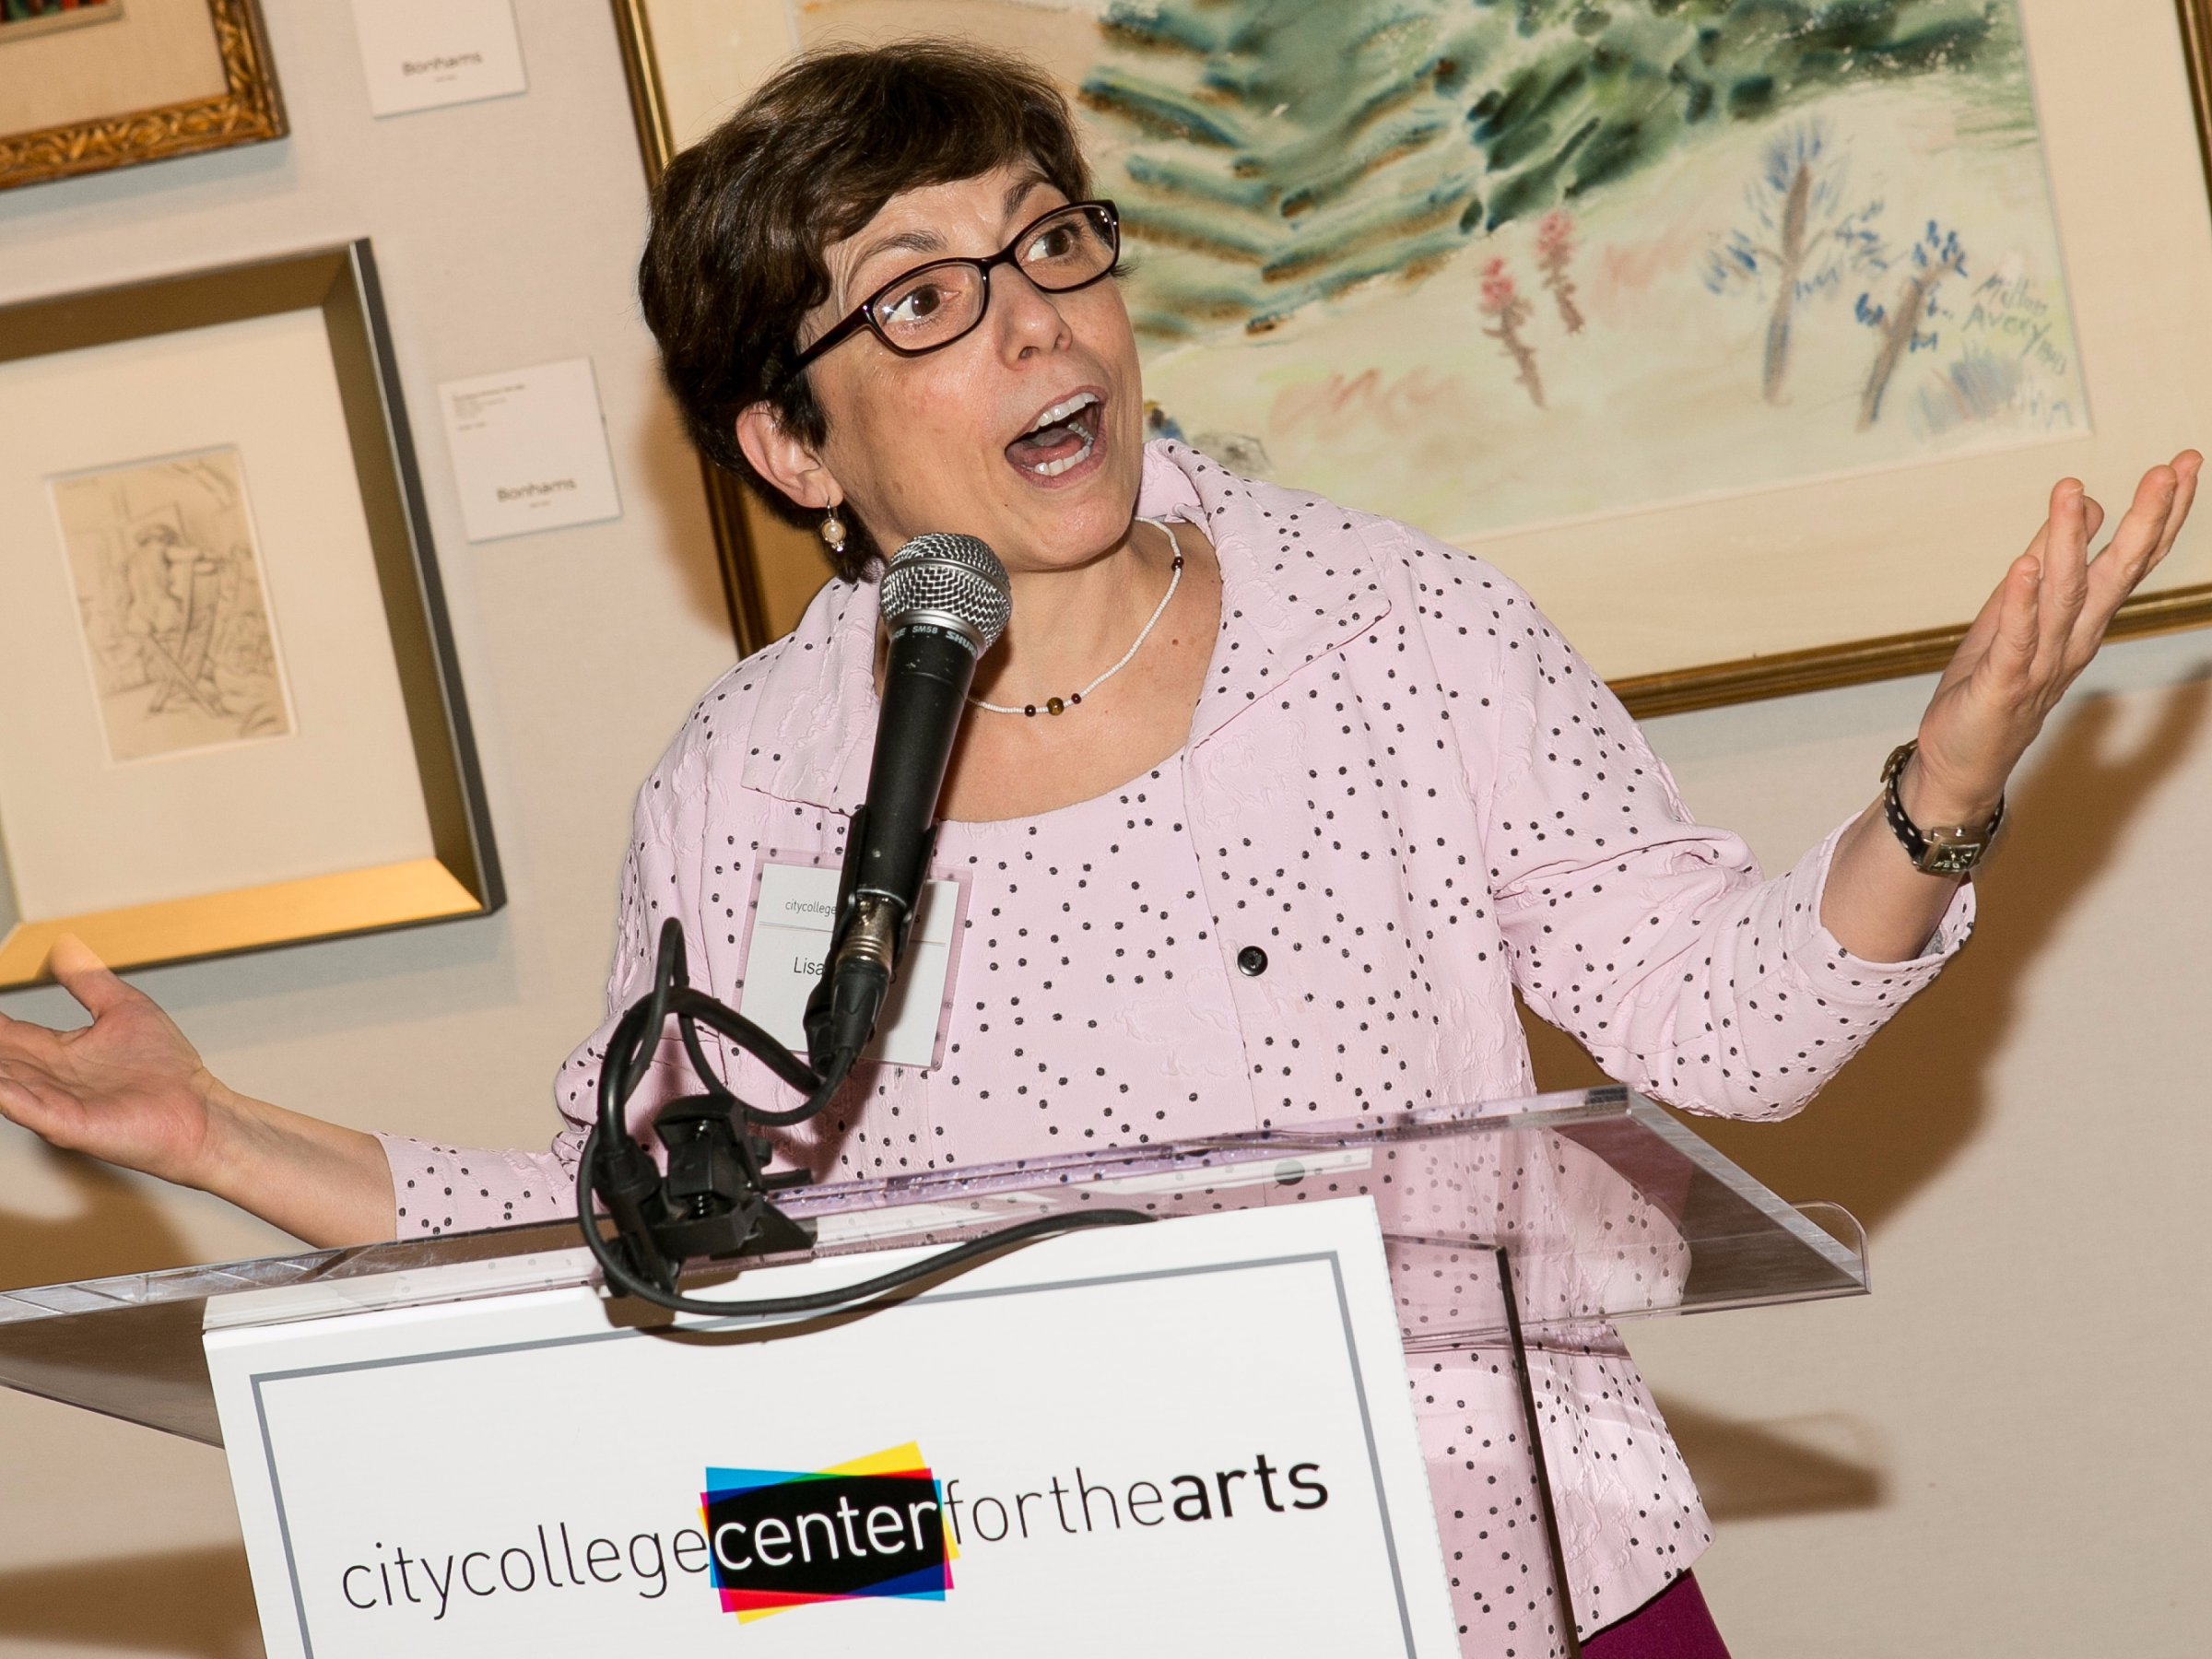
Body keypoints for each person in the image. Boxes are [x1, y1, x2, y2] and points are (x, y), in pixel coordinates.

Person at [0, 41, 2195, 1658]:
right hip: (1020, 1594)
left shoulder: (1389, 632)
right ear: (791, 445)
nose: (1036, 319)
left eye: (1049, 246)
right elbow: (651, 1237)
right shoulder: (750, 781)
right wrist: (217, 1132)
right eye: (920, 298)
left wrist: (1945, 782)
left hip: (1496, 1586)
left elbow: (1742, 1027)